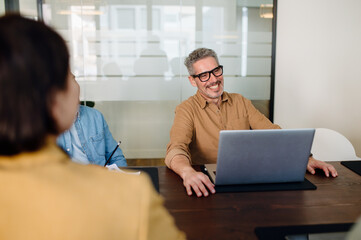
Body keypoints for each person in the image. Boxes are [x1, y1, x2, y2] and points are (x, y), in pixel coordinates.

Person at [0, 14, 185, 240]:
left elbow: (117, 159)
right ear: (54, 97)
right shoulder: (130, 197)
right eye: (70, 77)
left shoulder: (94, 117)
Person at [165, 47, 338, 198]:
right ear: (192, 80)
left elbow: (273, 133)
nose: (213, 79)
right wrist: (187, 172)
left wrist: (305, 158)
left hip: (247, 178)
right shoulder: (186, 109)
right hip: (208, 184)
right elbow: (177, 148)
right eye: (204, 75)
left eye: (216, 71)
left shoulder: (241, 101)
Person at [57, 77, 127, 167]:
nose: (73, 86)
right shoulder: (45, 123)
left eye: (74, 79)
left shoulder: (96, 116)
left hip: (98, 178)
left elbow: (116, 158)